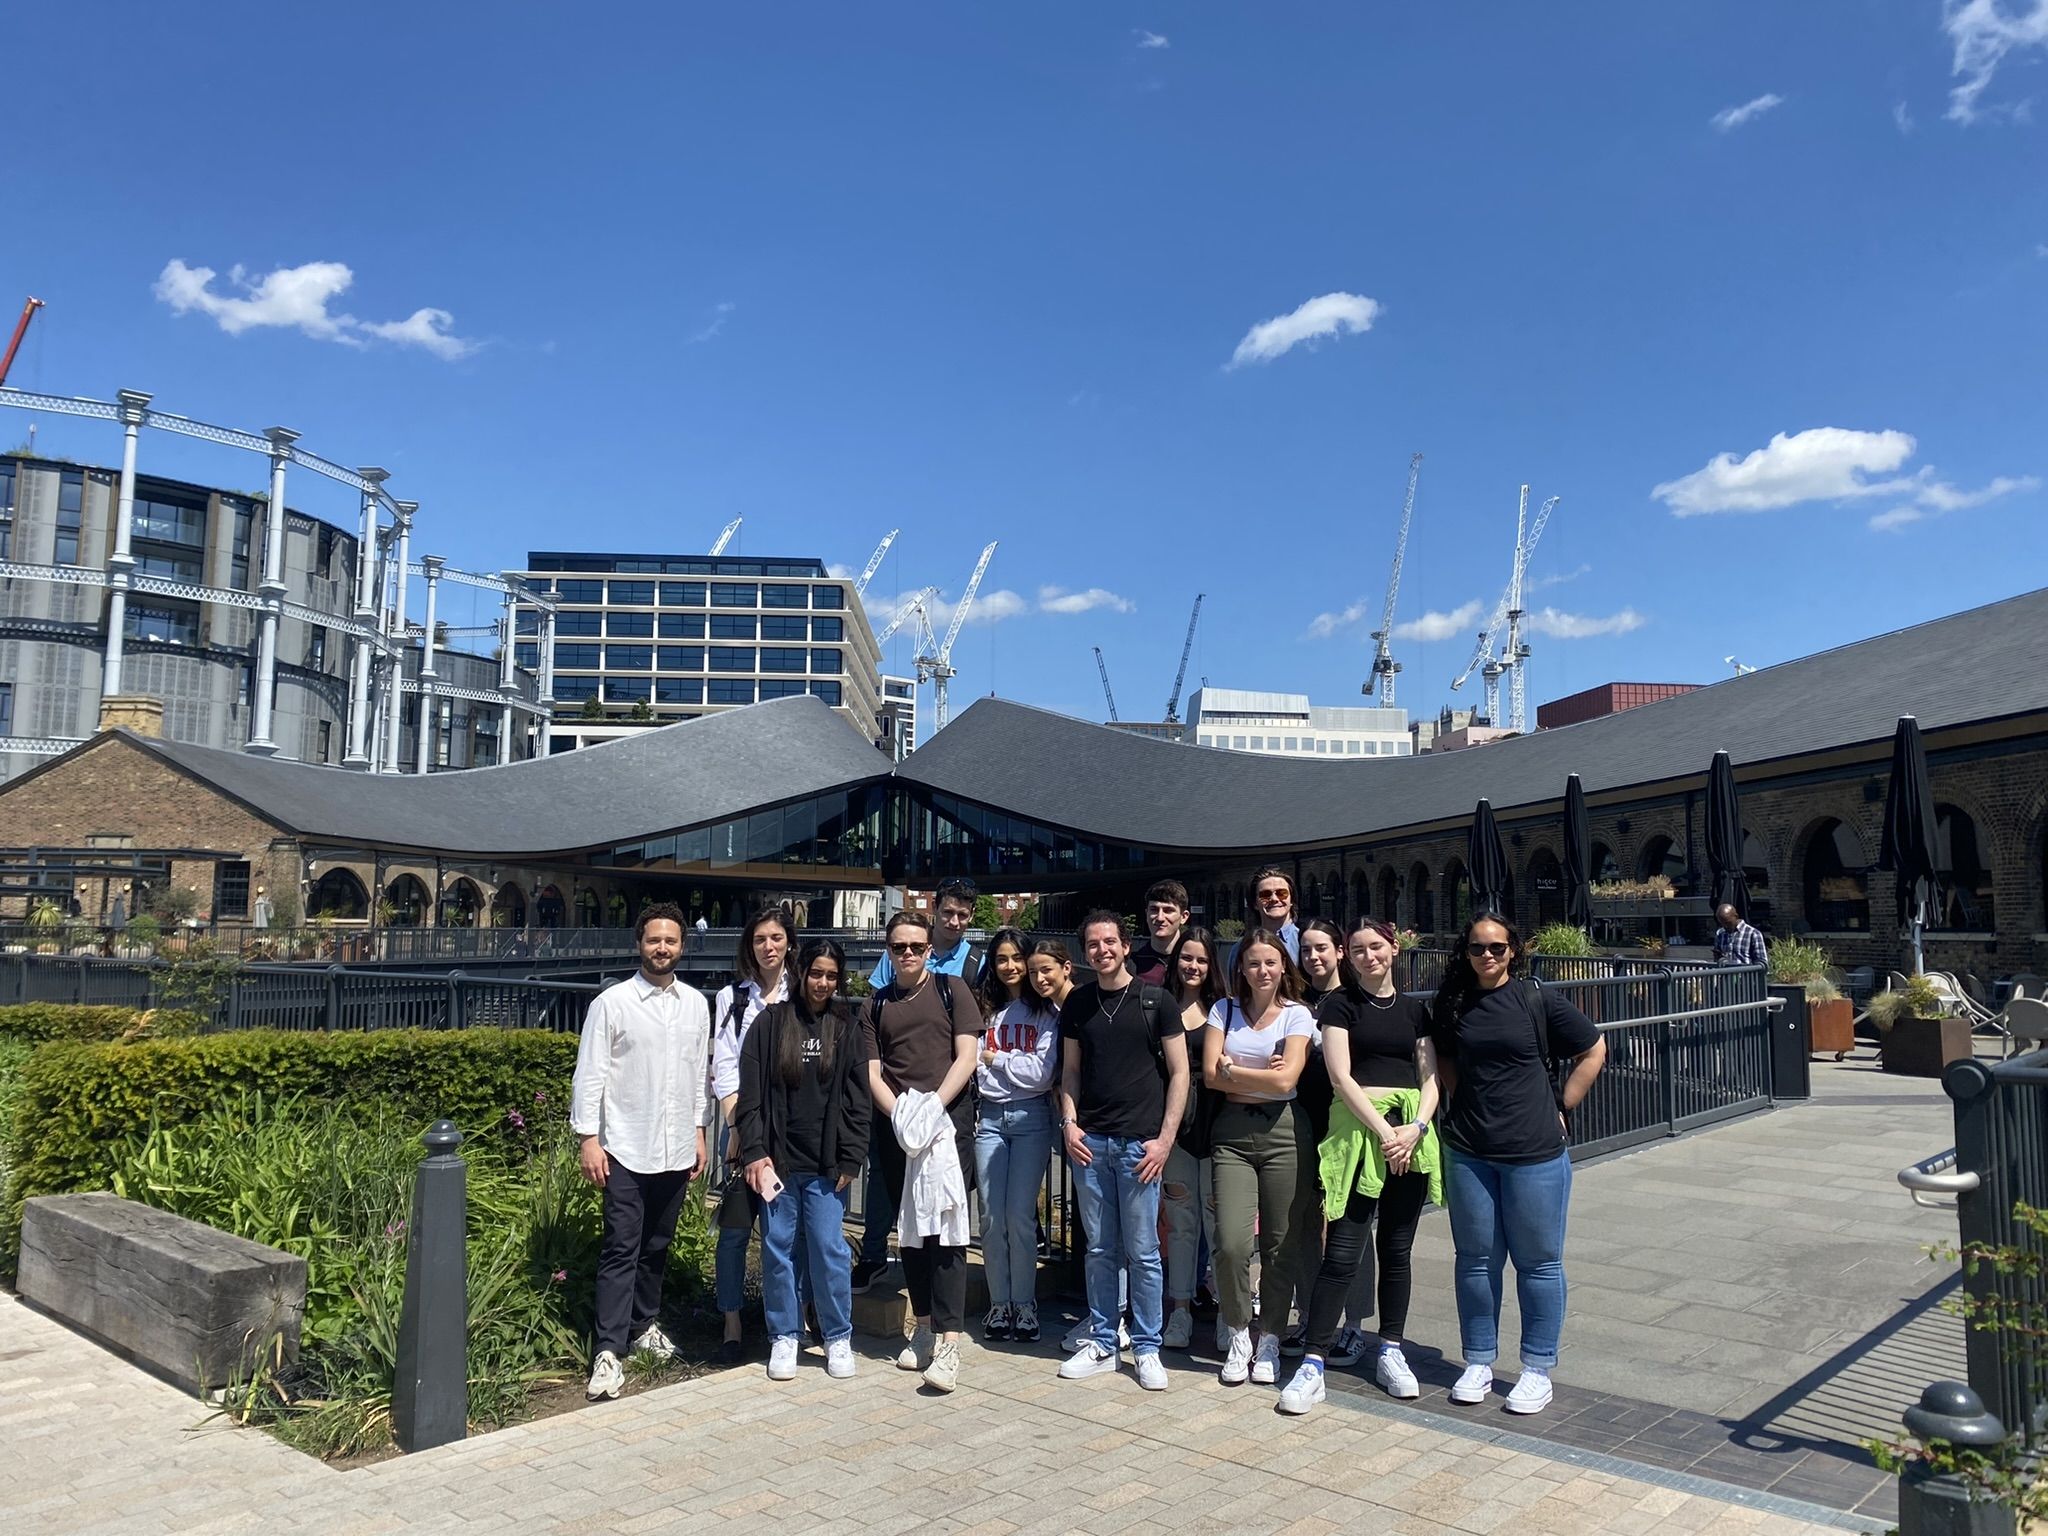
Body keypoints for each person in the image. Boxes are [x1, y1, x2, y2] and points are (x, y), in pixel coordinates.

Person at [1432, 914, 1608, 1415]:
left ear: (1513, 951)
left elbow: (1594, 1049)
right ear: (1463, 952)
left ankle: (1536, 1367)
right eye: (1476, 948)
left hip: (1534, 1153)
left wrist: (1564, 1105)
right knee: (1475, 1261)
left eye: (1496, 947)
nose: (1487, 956)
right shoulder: (1453, 1003)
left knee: (1539, 1263)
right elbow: (1443, 1056)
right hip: (1469, 1149)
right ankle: (1479, 1360)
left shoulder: (1537, 998)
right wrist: (1458, 1096)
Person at [1278, 918, 1440, 1415]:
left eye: (1376, 947)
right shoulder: (1339, 1004)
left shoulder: (1417, 1011)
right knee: (1343, 1251)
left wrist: (1415, 1127)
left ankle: (1390, 1348)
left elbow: (1430, 1076)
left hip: (1409, 1142)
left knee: (1396, 1250)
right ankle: (1314, 1362)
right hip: (1361, 1137)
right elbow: (1340, 1075)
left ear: (1394, 949)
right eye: (1358, 949)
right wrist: (1385, 1130)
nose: (1368, 956)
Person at [571, 903, 713, 1400]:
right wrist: (589, 1137)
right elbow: (591, 1073)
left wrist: (699, 1130)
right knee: (620, 1247)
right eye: (654, 940)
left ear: (681, 946)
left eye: (671, 941)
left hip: (675, 1147)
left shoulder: (697, 1004)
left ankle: (643, 1324)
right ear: (639, 944)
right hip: (626, 1146)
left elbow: (700, 1074)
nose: (662, 948)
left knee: (656, 1246)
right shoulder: (612, 1003)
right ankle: (609, 1350)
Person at [1055, 912, 1187, 1391]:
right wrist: (1070, 1124)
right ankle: (1105, 1338)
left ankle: (1148, 1347)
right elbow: (1070, 1071)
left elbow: (1180, 1074)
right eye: (1093, 944)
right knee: (1100, 1248)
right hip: (1091, 1143)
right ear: (1084, 951)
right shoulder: (1079, 1003)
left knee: (1144, 1252)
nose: (1102, 950)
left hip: (1140, 1145)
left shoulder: (1157, 1001)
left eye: (1110, 942)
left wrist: (1165, 1139)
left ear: (1125, 946)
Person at [736, 937, 870, 1382]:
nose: (823, 983)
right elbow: (750, 1097)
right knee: (778, 1250)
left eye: (832, 976)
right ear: (801, 973)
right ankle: (785, 1336)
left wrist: (851, 1157)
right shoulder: (771, 1025)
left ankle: (837, 1336)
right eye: (816, 973)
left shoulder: (846, 1028)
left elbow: (857, 1099)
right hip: (778, 1163)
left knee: (829, 1249)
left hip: (826, 1166)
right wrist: (754, 1152)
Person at [864, 908, 983, 1392]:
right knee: (910, 1234)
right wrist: (902, 1116)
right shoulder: (875, 1005)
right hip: (900, 1130)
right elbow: (872, 1072)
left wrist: (933, 1107)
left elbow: (967, 1055)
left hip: (946, 1129)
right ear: (889, 952)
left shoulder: (952, 992)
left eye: (916, 946)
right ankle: (925, 1327)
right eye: (899, 947)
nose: (908, 953)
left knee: (948, 1234)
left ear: (929, 950)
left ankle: (950, 1342)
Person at [1205, 927, 1317, 1388]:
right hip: (1231, 1133)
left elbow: (1287, 1080)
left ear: (1283, 966)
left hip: (1283, 1131)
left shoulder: (1297, 1015)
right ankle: (1237, 1332)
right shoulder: (1223, 1009)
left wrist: (1235, 1068)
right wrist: (1252, 1075)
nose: (1262, 970)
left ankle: (1270, 1334)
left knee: (1280, 1242)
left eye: (1271, 962)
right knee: (1231, 1241)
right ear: (1241, 968)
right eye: (1253, 962)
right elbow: (1211, 1077)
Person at [710, 909, 793, 1363]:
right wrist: (735, 1125)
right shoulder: (732, 998)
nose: (769, 946)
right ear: (750, 945)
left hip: (787, 1127)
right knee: (736, 1229)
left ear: (788, 944)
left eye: (776, 938)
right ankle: (732, 1322)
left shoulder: (800, 994)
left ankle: (791, 1318)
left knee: (784, 1229)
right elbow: (723, 1064)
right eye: (760, 938)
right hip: (746, 1123)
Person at [973, 930, 1063, 1343]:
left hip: (1031, 1119)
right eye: (1001, 959)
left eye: (1016, 958)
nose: (1009, 967)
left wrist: (998, 1058)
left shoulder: (1044, 1012)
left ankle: (1024, 1305)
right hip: (989, 1118)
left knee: (1020, 1217)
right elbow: (976, 1066)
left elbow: (1041, 1075)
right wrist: (1008, 1064)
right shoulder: (984, 1009)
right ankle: (999, 1303)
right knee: (991, 1217)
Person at [1160, 925, 1224, 1351]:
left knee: (1223, 1225)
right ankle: (1180, 1310)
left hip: (1220, 1126)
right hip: (1175, 1126)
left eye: (1201, 959)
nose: (1193, 966)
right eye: (1187, 958)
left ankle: (1226, 1311)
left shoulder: (1225, 1009)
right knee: (1181, 1224)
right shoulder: (1159, 1005)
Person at [1228, 868, 1301, 971]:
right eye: (1265, 895)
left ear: (1291, 899)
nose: (1274, 899)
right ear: (1255, 904)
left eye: (1281, 893)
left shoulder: (1305, 943)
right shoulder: (1240, 949)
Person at [1130, 880, 1190, 989]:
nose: (1160, 918)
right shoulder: (1131, 966)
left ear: (1184, 917)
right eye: (1154, 910)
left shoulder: (1196, 964)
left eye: (1168, 910)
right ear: (1146, 913)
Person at [1713, 903, 1767, 968]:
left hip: (1746, 975)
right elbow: (1717, 957)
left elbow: (1762, 962)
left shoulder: (1753, 933)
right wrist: (1721, 960)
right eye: (1722, 923)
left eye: (1728, 923)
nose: (1725, 926)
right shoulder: (1720, 934)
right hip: (1726, 976)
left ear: (1736, 916)